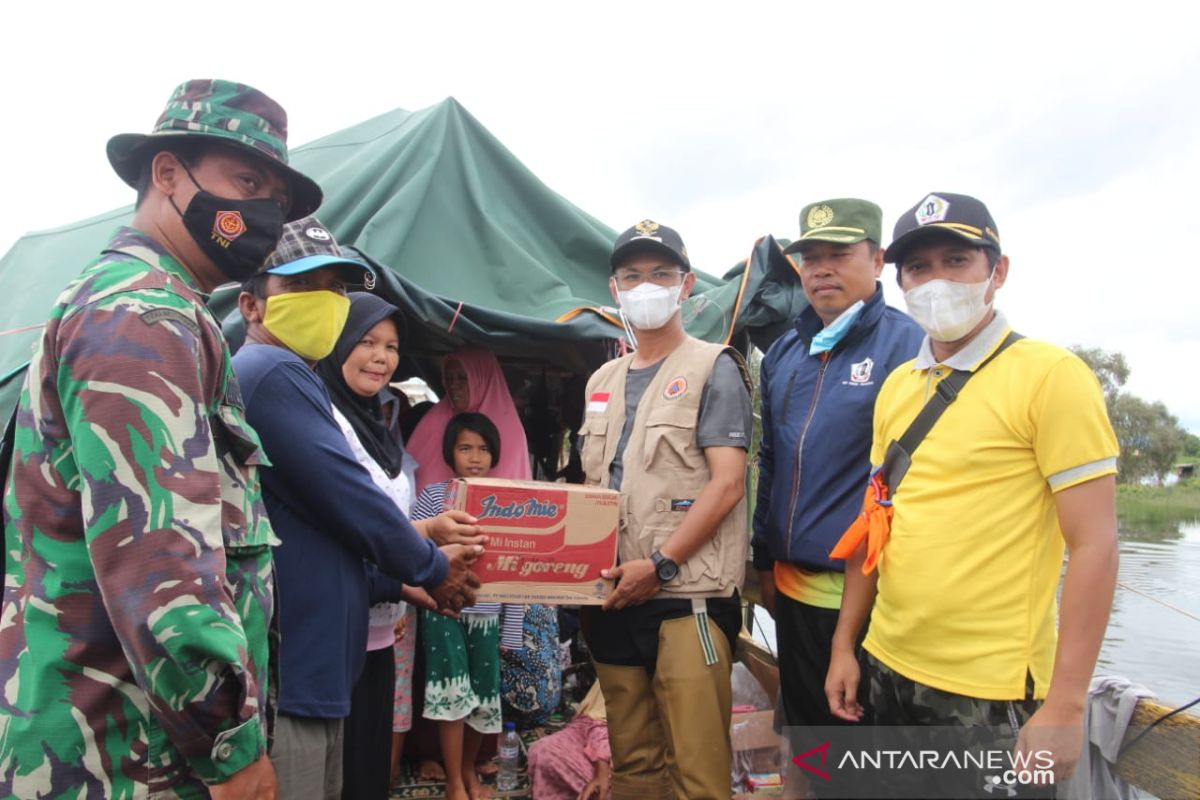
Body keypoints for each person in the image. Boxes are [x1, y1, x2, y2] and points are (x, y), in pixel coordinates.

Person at [0, 78, 320, 799]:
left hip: (129, 738)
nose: (262, 213)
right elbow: (160, 560)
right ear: (167, 173)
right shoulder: (141, 317)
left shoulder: (164, 308)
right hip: (117, 755)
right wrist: (230, 749)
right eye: (246, 182)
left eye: (273, 199)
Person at [824, 193, 1119, 790]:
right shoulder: (899, 387)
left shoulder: (1052, 376)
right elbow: (875, 521)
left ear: (997, 271)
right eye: (919, 268)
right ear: (900, 279)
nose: (937, 281)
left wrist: (1064, 706)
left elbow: (1095, 545)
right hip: (887, 664)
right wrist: (844, 645)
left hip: (994, 692)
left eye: (957, 261)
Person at [232, 217, 485, 800]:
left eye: (337, 290)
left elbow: (318, 532)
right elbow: (351, 498)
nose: (327, 304)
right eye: (303, 288)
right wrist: (433, 569)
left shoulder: (300, 378)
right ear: (251, 304)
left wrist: (403, 582)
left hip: (320, 659)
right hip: (292, 664)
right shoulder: (271, 370)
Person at [579, 220, 752, 800]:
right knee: (634, 766)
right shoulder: (602, 378)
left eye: (660, 274)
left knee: (696, 772)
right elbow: (596, 484)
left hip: (685, 598)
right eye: (633, 276)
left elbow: (727, 485)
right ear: (614, 287)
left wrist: (662, 564)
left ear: (686, 284)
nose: (645, 286)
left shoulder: (713, 366)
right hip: (612, 596)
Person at [751, 200, 922, 750]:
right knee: (808, 734)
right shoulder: (784, 352)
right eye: (810, 257)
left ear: (877, 261)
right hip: (792, 589)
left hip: (867, 596)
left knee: (862, 752)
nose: (821, 268)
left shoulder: (909, 345)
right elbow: (771, 462)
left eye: (839, 255)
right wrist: (763, 559)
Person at [313, 292, 426, 799]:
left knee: (366, 774)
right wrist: (413, 578)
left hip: (381, 633)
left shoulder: (381, 423)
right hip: (334, 640)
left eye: (392, 346)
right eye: (366, 342)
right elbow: (345, 527)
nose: (381, 357)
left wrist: (397, 590)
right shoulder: (323, 420)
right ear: (336, 344)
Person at [412, 412, 506, 800]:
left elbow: (514, 571)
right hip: (443, 609)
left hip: (487, 611)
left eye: (483, 449)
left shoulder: (507, 500)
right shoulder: (433, 497)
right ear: (450, 451)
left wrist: (510, 631)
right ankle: (454, 780)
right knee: (450, 691)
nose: (474, 457)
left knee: (483, 692)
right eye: (465, 447)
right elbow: (412, 553)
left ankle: (469, 771)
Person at [528, 681, 612, 800]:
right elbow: (599, 719)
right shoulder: (622, 669)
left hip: (628, 747)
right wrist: (602, 770)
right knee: (542, 752)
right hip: (592, 728)